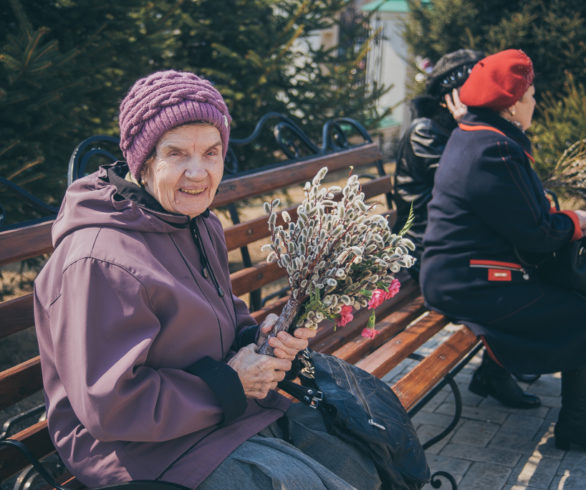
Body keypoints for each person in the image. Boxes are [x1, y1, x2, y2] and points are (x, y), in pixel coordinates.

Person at [33, 70, 382, 489]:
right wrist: (231, 383)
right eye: (177, 154)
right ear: (142, 161)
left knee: (362, 460)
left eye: (211, 153)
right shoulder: (99, 260)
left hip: (218, 413)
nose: (198, 173)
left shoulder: (195, 221)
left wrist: (261, 339)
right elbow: (110, 407)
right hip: (141, 451)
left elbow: (222, 316)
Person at [420, 49, 586, 450]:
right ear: (512, 105)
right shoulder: (495, 149)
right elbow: (537, 234)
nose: (535, 103)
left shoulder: (477, 135)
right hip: (469, 283)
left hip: (461, 274)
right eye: (530, 96)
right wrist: (578, 219)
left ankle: (500, 378)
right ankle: (577, 430)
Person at [392, 49, 540, 409]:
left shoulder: (466, 131)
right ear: (452, 96)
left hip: (458, 246)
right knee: (518, 275)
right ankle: (500, 366)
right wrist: (469, 128)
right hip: (424, 251)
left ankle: (499, 367)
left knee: (530, 266)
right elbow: (476, 184)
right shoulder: (427, 133)